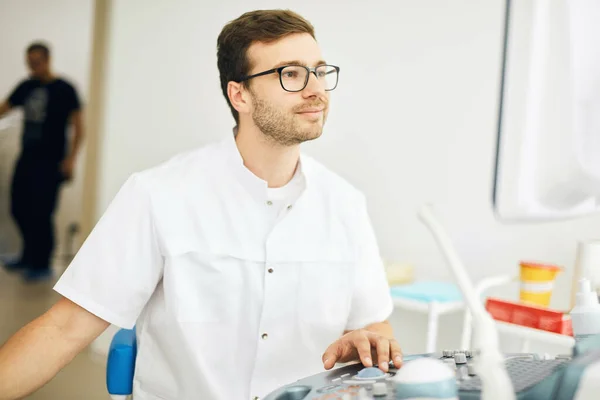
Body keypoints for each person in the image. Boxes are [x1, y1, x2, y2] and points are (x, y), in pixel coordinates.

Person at [0, 10, 400, 400]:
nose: (316, 89)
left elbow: (374, 324)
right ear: (239, 94)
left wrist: (372, 341)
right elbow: (65, 328)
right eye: (291, 74)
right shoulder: (159, 195)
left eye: (319, 71)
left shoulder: (345, 203)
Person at [0, 42, 84, 282]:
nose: (33, 68)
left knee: (42, 212)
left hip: (52, 161)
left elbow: (79, 127)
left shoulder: (65, 89)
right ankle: (27, 256)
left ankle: (42, 263)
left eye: (36, 63)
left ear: (47, 60)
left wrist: (71, 160)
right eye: (29, 63)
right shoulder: (27, 86)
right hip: (27, 157)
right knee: (18, 207)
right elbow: (4, 108)